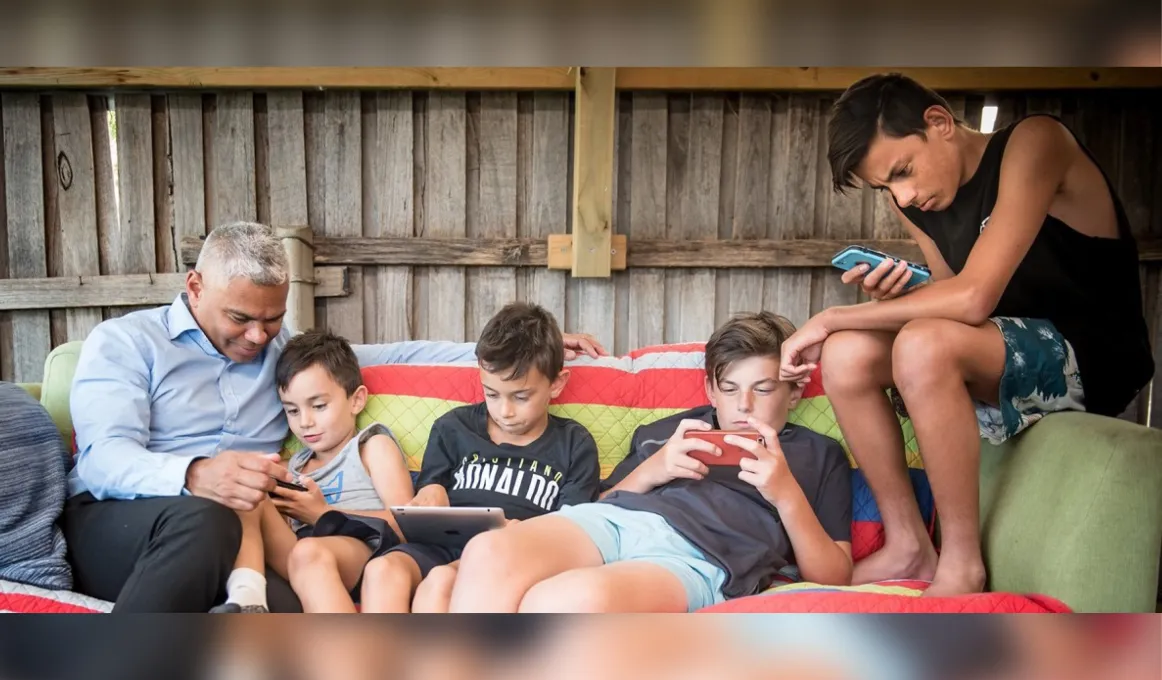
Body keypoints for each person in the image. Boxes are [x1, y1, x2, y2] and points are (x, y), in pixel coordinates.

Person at [62, 221, 608, 613]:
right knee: (210, 516)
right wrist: (195, 475)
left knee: (295, 603)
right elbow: (106, 460)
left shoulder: (284, 356)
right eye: (241, 318)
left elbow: (398, 353)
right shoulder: (128, 343)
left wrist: (520, 351)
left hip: (248, 532)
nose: (258, 336)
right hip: (127, 519)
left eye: (272, 320)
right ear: (195, 287)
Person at [779, 73, 1155, 597]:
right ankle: (910, 545)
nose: (903, 195)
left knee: (907, 341)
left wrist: (831, 317)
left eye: (903, 171)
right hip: (998, 344)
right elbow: (952, 294)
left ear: (939, 123)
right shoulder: (912, 202)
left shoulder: (1035, 143)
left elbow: (973, 298)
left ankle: (961, 563)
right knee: (847, 356)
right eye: (887, 187)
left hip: (1091, 353)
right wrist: (898, 297)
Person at [447, 311, 853, 613]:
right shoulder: (669, 431)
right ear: (711, 388)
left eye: (762, 389)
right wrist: (655, 468)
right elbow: (602, 500)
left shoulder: (817, 455)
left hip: (696, 557)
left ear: (794, 393)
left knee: (564, 600)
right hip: (615, 523)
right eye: (729, 388)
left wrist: (785, 495)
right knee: (487, 551)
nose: (743, 405)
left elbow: (835, 575)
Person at [349, 302, 603, 613]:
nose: (505, 411)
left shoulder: (574, 444)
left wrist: (526, 534)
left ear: (556, 384)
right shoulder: (453, 427)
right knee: (381, 570)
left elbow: (572, 531)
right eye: (492, 394)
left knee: (442, 582)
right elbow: (432, 484)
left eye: (521, 396)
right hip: (438, 545)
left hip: (507, 556)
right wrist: (432, 491)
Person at [211, 329, 414, 613]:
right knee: (247, 489)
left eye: (318, 406)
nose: (305, 422)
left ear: (356, 400)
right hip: (302, 557)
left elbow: (408, 525)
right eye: (292, 411)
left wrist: (323, 515)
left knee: (309, 552)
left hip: (365, 552)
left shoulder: (370, 447)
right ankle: (248, 597)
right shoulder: (295, 464)